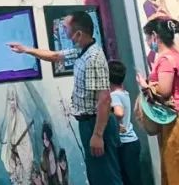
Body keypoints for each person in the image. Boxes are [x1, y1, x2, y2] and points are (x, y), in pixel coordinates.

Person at [9, 11, 122, 185]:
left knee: (107, 177)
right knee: (97, 176)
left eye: (66, 27)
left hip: (96, 124)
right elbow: (55, 56)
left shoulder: (94, 58)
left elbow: (105, 99)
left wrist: (98, 134)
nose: (63, 30)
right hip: (88, 123)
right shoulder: (82, 50)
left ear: (78, 34)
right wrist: (26, 49)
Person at [137, 17, 179, 184]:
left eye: (147, 38)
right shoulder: (175, 55)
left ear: (154, 36)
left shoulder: (165, 59)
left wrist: (145, 85)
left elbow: (165, 90)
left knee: (174, 167)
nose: (148, 42)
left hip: (174, 122)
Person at [108, 60, 142, 185]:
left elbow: (119, 113)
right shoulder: (124, 93)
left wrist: (107, 110)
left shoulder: (114, 95)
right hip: (132, 142)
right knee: (134, 179)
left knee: (129, 180)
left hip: (125, 144)